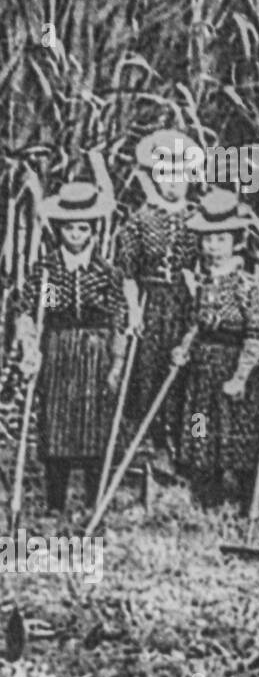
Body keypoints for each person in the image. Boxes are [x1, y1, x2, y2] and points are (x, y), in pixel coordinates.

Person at [16, 183, 127, 518]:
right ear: (58, 229)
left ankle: (94, 501)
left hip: (96, 352)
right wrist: (30, 348)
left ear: (93, 232)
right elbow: (31, 311)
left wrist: (117, 362)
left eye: (83, 228)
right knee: (56, 426)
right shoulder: (47, 270)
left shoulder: (107, 273)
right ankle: (55, 502)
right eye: (69, 228)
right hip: (59, 351)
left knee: (95, 426)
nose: (76, 235)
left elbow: (118, 319)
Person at [170, 190, 259, 511]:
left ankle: (245, 495)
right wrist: (183, 349)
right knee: (200, 425)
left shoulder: (247, 285)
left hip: (233, 366)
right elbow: (196, 325)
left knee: (236, 430)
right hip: (202, 370)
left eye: (221, 239)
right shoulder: (202, 282)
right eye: (208, 239)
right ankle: (206, 491)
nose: (214, 246)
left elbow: (255, 334)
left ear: (236, 242)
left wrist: (241, 376)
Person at [115, 129, 202, 474]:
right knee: (150, 376)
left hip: (188, 305)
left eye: (180, 175)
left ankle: (193, 446)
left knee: (192, 378)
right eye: (165, 174)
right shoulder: (139, 220)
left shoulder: (199, 218)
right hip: (152, 303)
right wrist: (134, 311)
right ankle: (157, 447)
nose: (172, 183)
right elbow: (127, 274)